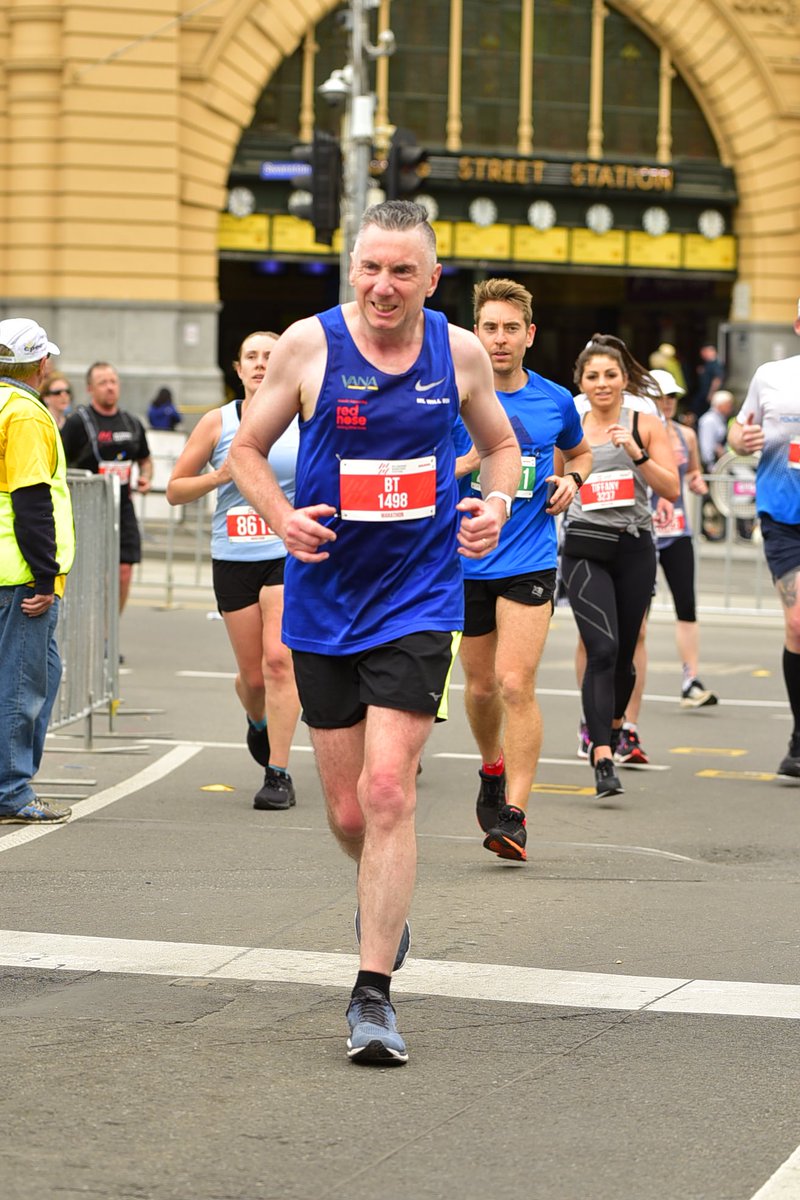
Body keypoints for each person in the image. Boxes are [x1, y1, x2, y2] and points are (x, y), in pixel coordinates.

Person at [229, 200, 521, 1065]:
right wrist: (280, 517)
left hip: (420, 599)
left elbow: (501, 448)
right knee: (351, 810)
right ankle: (382, 902)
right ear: (351, 269)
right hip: (325, 602)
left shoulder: (458, 352)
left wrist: (496, 505)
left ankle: (372, 995)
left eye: (402, 271)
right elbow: (246, 451)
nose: (383, 286)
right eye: (370, 267)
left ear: (433, 279)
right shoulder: (307, 345)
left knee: (390, 791)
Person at [453, 278, 592, 862]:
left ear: (529, 335)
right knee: (481, 687)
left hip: (529, 558)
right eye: (490, 327)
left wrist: (572, 479)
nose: (500, 338)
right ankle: (492, 766)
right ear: (475, 334)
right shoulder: (453, 397)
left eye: (511, 328)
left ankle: (514, 813)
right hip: (465, 560)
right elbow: (425, 469)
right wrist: (474, 460)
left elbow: (580, 451)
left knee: (515, 682)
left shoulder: (555, 400)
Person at [166, 332, 301, 810]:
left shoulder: (306, 419)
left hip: (286, 552)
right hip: (234, 557)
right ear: (238, 369)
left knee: (279, 661)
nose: (261, 364)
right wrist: (221, 475)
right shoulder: (218, 422)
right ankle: (258, 721)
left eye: (270, 356)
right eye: (252, 357)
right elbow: (175, 489)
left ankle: (278, 773)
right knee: (254, 678)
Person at [561, 338, 679, 798]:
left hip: (633, 548)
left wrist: (637, 454)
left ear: (624, 380)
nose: (602, 384)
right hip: (585, 547)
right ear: (581, 382)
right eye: (593, 376)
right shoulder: (571, 426)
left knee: (625, 655)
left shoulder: (644, 423)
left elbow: (670, 488)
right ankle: (602, 755)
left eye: (610, 375)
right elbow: (557, 481)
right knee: (602, 649)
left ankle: (613, 725)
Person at [0, 318, 75, 824]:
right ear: (41, 363)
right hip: (19, 572)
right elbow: (31, 498)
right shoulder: (25, 412)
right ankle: (11, 791)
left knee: (43, 672)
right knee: (22, 685)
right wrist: (45, 577)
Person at [623, 369, 718, 742]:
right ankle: (624, 688)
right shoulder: (635, 429)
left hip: (677, 532)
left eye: (672, 396)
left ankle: (690, 679)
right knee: (638, 621)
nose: (667, 402)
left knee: (687, 607)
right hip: (642, 531)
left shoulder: (685, 435)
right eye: (660, 396)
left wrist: (696, 481)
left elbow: (692, 473)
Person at [728, 302, 800, 778]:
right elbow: (739, 429)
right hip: (784, 515)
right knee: (798, 622)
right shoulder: (771, 376)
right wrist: (742, 440)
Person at [61, 362, 152, 615]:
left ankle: (108, 630)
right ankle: (85, 625)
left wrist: (145, 478)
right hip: (86, 510)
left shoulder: (131, 423)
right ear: (90, 388)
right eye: (103, 382)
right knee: (88, 574)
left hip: (122, 508)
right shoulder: (78, 422)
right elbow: (58, 462)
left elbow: (145, 460)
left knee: (124, 571)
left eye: (113, 381)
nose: (110, 387)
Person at [691, 343, 724, 421]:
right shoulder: (707, 364)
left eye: (704, 352)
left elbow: (717, 379)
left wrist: (711, 393)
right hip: (703, 394)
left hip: (708, 396)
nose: (702, 355)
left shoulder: (715, 364)